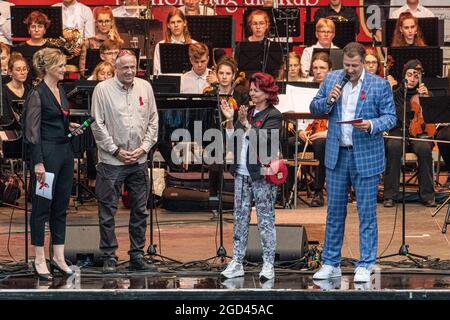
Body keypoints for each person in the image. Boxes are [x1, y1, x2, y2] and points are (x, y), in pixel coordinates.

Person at [310, 42, 397, 282]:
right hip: (337, 155)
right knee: (334, 212)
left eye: (354, 66)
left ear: (363, 62)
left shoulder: (379, 84)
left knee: (367, 212)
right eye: (346, 65)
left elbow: (390, 117)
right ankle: (330, 262)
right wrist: (328, 100)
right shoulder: (331, 79)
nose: (350, 70)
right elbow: (314, 107)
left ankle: (366, 262)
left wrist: (371, 125)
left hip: (366, 155)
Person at [91, 49, 159, 274]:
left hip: (138, 160)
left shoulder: (145, 87)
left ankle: (137, 255)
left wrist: (143, 148)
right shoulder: (102, 89)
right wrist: (115, 150)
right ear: (115, 68)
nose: (130, 71)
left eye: (133, 67)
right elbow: (96, 124)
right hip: (112, 162)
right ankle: (109, 256)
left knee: (140, 209)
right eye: (125, 67)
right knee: (107, 211)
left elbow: (153, 121)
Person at [23, 48, 82, 280]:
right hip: (46, 155)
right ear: (47, 68)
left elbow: (59, 120)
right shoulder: (37, 94)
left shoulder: (61, 90)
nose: (63, 69)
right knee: (41, 208)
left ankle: (58, 256)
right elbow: (32, 132)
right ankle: (39, 257)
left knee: (60, 207)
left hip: (64, 153)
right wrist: (38, 162)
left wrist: (70, 127)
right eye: (60, 66)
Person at [220, 72, 282, 282]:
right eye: (251, 90)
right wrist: (230, 121)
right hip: (241, 173)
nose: (252, 93)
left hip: (262, 175)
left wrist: (246, 123)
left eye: (256, 90)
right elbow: (233, 140)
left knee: (265, 220)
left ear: (267, 92)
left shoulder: (273, 115)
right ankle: (237, 261)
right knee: (240, 218)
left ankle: (268, 263)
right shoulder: (247, 112)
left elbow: (265, 142)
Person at [383, 59, 435, 208]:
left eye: (416, 76)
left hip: (418, 133)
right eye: (410, 74)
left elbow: (431, 117)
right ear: (404, 76)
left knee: (424, 148)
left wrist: (426, 99)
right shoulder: (394, 93)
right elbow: (393, 114)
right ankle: (390, 196)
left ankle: (427, 195)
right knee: (393, 146)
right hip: (399, 129)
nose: (412, 79)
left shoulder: (425, 94)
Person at [291, 52, 332, 207]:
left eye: (322, 67)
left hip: (326, 134)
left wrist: (326, 132)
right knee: (288, 142)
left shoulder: (336, 88)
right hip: (308, 133)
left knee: (320, 143)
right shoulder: (304, 87)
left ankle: (318, 191)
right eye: (315, 67)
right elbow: (301, 114)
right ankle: (287, 189)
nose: (318, 71)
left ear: (330, 69)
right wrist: (300, 131)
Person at [13, 11, 57, 84]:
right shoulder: (19, 48)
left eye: (40, 26)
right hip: (23, 86)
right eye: (33, 27)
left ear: (45, 30)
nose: (36, 30)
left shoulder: (52, 49)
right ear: (28, 30)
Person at [79, 6, 123, 77]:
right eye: (100, 21)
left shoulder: (118, 42)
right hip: (93, 81)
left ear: (111, 22)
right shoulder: (88, 42)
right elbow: (83, 71)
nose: (104, 24)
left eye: (107, 21)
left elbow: (121, 67)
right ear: (96, 23)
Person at [153, 8, 196, 75]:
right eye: (172, 22)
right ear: (168, 25)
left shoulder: (195, 44)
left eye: (179, 21)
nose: (176, 25)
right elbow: (157, 72)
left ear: (184, 23)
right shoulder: (160, 45)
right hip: (168, 84)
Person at [1, 53, 30, 125]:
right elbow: (5, 119)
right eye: (18, 70)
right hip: (10, 132)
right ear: (10, 72)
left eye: (24, 69)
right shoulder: (2, 91)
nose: (22, 72)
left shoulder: (31, 90)